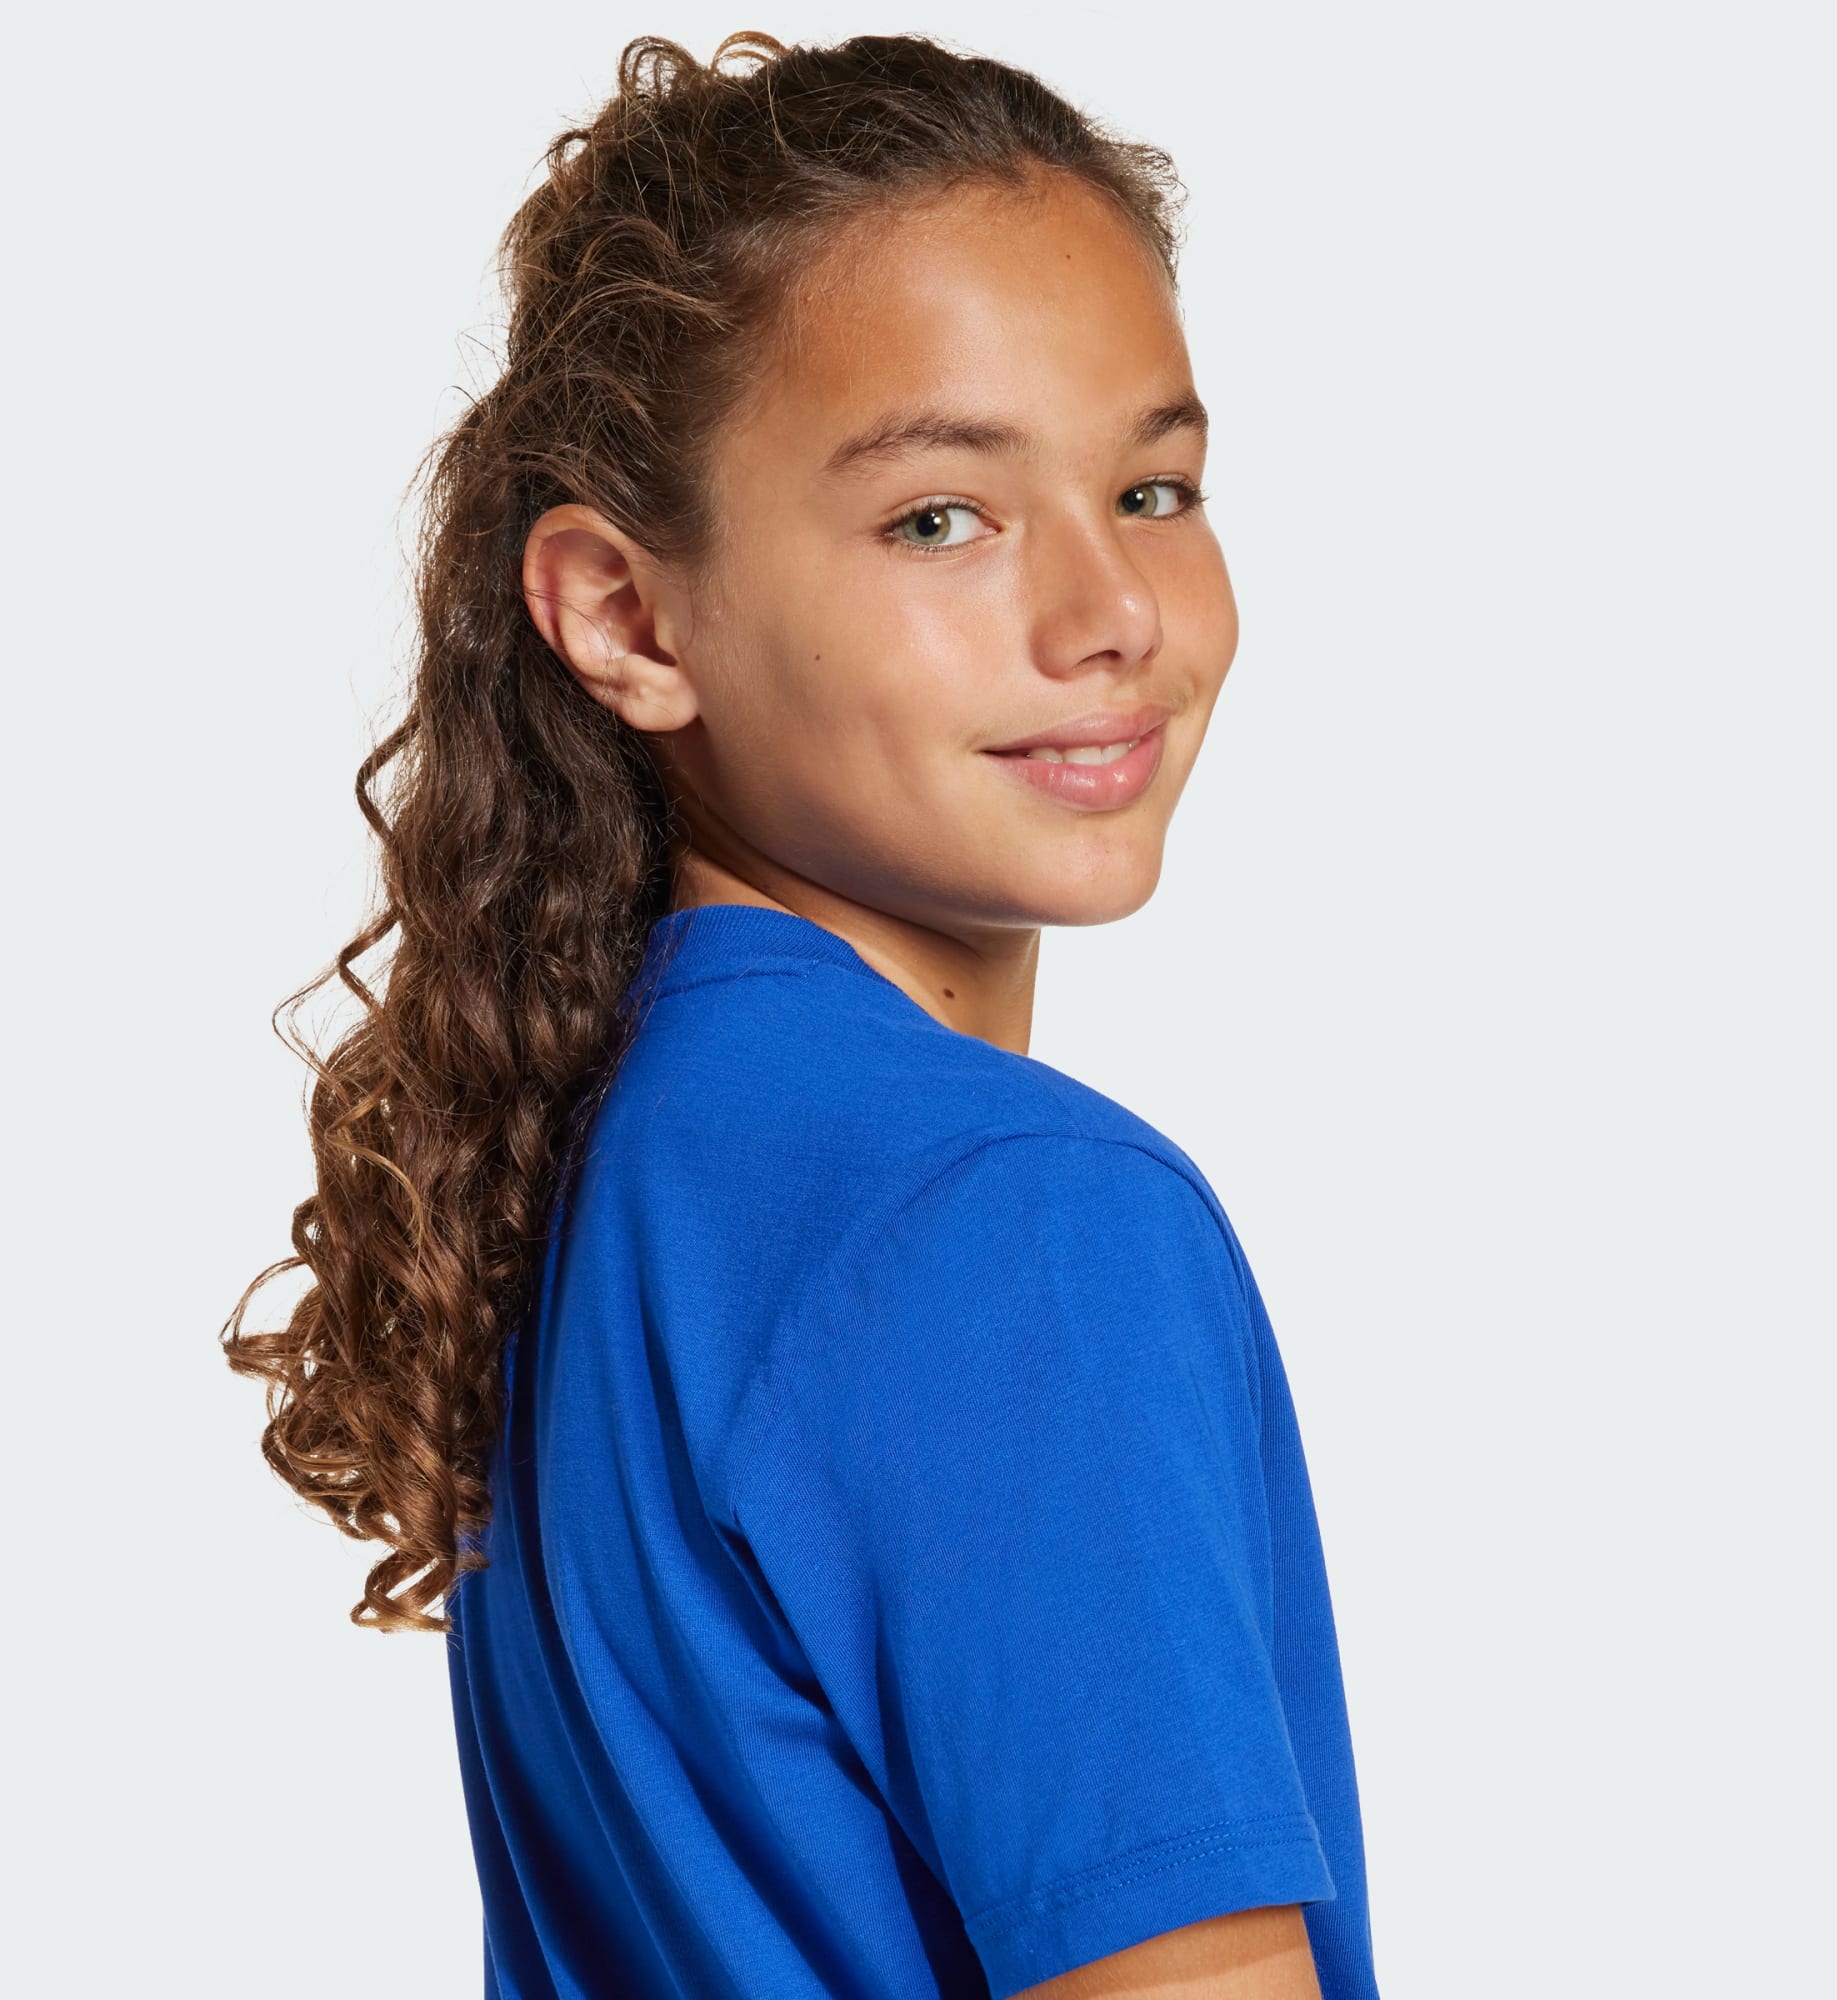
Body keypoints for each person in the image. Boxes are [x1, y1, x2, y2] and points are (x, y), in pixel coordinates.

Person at [223, 29, 1382, 2000]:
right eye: (941, 516)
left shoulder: (614, 1154)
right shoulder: (1005, 1214)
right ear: (626, 616)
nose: (1112, 610)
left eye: (1152, 487)